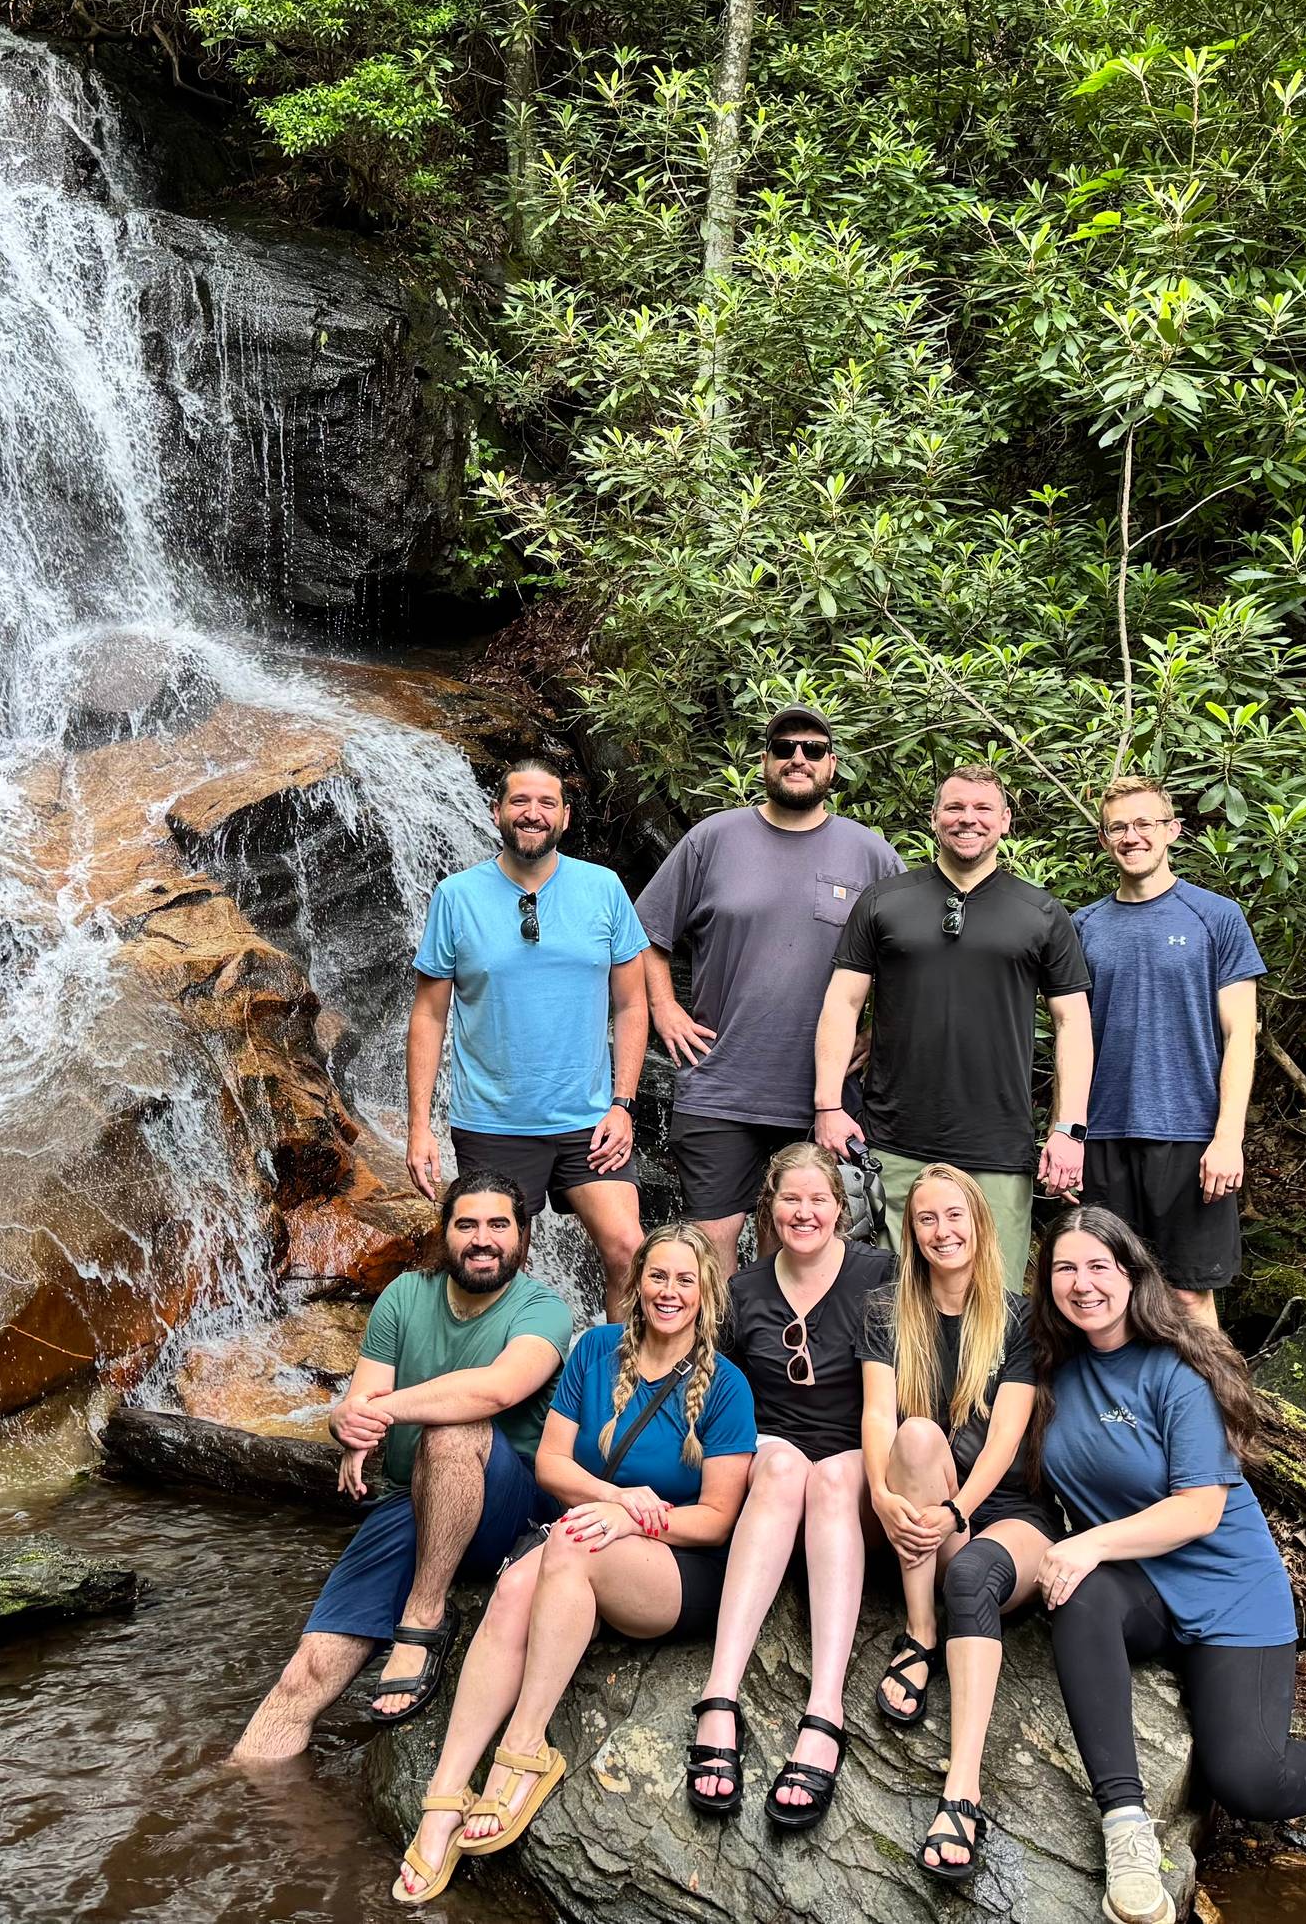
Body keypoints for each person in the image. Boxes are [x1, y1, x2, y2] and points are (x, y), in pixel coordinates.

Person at [1027, 1207, 1306, 1923]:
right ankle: (1125, 1829)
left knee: (1247, 1778)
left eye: (1099, 1266)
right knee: (1080, 1596)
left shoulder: (1176, 1370)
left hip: (1229, 1589)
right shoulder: (1043, 1369)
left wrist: (1088, 1539)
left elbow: (1198, 1511)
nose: (1082, 1283)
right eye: (1066, 1267)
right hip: (1142, 1583)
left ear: (1131, 1274)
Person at [391, 1222, 755, 1903]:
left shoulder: (728, 1385)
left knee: (571, 1543)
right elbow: (553, 1464)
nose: (669, 1291)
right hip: (586, 1535)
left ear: (707, 1292)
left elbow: (718, 1519)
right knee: (509, 1596)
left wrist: (630, 1518)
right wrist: (615, 1496)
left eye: (685, 1280)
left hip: (677, 1568)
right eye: (657, 1276)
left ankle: (524, 1751)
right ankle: (443, 1797)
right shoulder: (593, 1349)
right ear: (637, 1280)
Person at [231, 1171, 574, 1763]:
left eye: (499, 1225)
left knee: (453, 1430)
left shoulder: (544, 1309)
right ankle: (248, 1795)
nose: (483, 1239)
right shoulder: (404, 1296)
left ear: (522, 1236)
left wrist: (377, 1411)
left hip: (509, 1508)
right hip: (410, 1499)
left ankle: (423, 1619)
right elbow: (360, 1402)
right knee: (303, 1676)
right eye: (467, 1224)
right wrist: (347, 1425)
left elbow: (495, 1391)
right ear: (446, 1233)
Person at [636, 705, 900, 1274]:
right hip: (719, 1083)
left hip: (821, 1096)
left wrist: (882, 1031)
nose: (797, 758)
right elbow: (644, 934)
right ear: (765, 760)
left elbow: (913, 960)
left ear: (833, 765)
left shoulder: (871, 854)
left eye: (811, 748)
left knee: (794, 1252)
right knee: (710, 1248)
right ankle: (717, 1365)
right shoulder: (712, 839)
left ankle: (776, 1364)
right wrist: (664, 1007)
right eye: (784, 748)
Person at [814, 763, 1094, 1286]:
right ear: (934, 817)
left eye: (983, 808)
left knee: (998, 1303)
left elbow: (1072, 1022)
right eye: (955, 807)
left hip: (997, 1144)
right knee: (894, 1302)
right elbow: (842, 1003)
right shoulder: (883, 902)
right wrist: (829, 1103)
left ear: (1006, 821)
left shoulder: (1040, 912)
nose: (969, 819)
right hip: (894, 1143)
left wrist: (1068, 1129)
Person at [858, 1162, 1060, 1881]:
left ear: (979, 1223)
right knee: (914, 1436)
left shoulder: (1016, 1317)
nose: (942, 1231)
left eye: (954, 1216)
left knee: (972, 1569)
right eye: (926, 1219)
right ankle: (919, 1631)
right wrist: (883, 1494)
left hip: (1006, 1515)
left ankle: (961, 1788)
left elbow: (1006, 1435)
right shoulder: (887, 1311)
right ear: (910, 1232)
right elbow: (879, 1414)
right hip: (920, 1502)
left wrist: (957, 1511)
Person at [687, 1142, 891, 1830]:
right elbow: (717, 1398)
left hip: (857, 1454)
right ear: (769, 1209)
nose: (804, 1212)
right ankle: (720, 1694)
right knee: (782, 1467)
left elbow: (895, 1397)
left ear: (841, 1206)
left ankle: (825, 1708)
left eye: (818, 1199)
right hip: (772, 1447)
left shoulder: (879, 1275)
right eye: (790, 1199)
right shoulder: (742, 1290)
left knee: (830, 1475)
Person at [408, 758, 649, 1316]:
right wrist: (419, 1126)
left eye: (546, 803)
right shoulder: (456, 896)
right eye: (519, 802)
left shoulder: (604, 889)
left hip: (590, 1121)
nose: (532, 814)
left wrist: (623, 1104)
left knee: (629, 1251)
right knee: (501, 1270)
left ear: (564, 817)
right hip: (494, 1123)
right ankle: (518, 1393)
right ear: (497, 812)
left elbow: (633, 1002)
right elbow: (428, 1016)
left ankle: (619, 1389)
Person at [1073, 777, 1267, 1324]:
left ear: (1172, 831)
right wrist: (1068, 1134)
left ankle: (1219, 1411)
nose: (1131, 837)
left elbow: (1241, 1035)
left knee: (1187, 1295)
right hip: (1105, 1135)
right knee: (1109, 1295)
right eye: (1118, 827)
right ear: (1105, 840)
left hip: (1190, 1136)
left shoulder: (1216, 916)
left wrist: (1229, 1137)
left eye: (1144, 824)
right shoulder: (1083, 926)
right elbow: (1071, 1037)